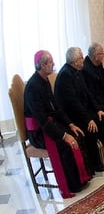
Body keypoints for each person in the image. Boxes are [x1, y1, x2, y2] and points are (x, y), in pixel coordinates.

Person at [24, 50, 91, 197]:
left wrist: (70, 124)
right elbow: (41, 120)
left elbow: (55, 108)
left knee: (77, 133)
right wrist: (63, 135)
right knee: (66, 143)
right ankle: (72, 184)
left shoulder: (45, 80)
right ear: (42, 65)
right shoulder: (33, 87)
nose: (54, 64)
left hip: (49, 124)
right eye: (51, 62)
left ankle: (82, 178)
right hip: (39, 132)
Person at [54, 47, 104, 172]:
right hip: (71, 115)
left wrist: (97, 110)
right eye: (81, 58)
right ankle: (95, 162)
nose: (83, 60)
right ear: (75, 61)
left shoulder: (77, 71)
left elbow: (88, 93)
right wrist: (88, 119)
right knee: (92, 126)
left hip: (82, 109)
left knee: (103, 116)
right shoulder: (66, 75)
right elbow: (73, 103)